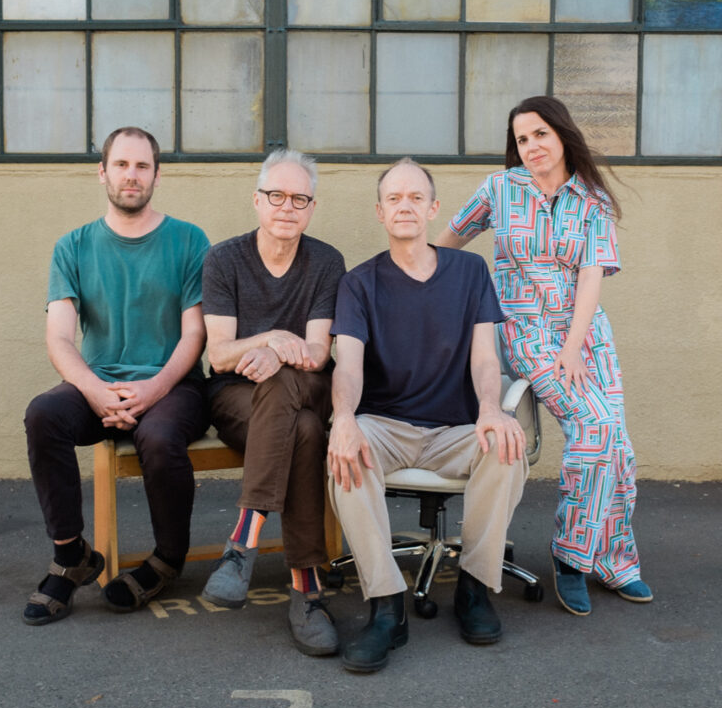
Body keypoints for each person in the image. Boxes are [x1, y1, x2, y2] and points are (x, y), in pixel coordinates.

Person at [435, 95, 652, 616]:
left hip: (585, 335)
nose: (530, 146)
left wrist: (576, 347)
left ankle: (615, 560)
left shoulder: (592, 199)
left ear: (561, 135)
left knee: (616, 445)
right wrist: (429, 289)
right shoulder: (499, 189)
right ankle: (572, 556)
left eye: (539, 135)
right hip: (526, 333)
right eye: (521, 139)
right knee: (595, 427)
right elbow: (447, 245)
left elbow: (592, 278)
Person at [328, 158, 528, 673]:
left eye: (416, 197)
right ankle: (386, 605)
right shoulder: (359, 282)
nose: (405, 206)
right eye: (394, 198)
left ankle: (475, 587)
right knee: (347, 448)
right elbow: (347, 364)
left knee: (506, 446)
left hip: (455, 429)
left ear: (433, 208)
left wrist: (491, 409)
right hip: (387, 426)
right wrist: (344, 417)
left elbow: (486, 357)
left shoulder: (469, 271)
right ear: (380, 211)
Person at [23, 127, 210, 625]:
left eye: (142, 166)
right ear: (102, 172)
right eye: (122, 165)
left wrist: (154, 388)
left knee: (159, 434)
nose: (132, 175)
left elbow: (195, 335)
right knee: (43, 415)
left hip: (174, 384)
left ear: (156, 174)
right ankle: (71, 555)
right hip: (98, 381)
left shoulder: (189, 240)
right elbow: (60, 337)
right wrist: (93, 390)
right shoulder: (74, 246)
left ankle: (168, 558)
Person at [201, 149, 345, 657]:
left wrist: (278, 357)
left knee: (287, 386)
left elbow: (320, 352)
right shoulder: (223, 259)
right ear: (257, 200)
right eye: (276, 196)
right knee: (304, 430)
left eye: (299, 198)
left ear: (311, 207)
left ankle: (243, 541)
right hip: (238, 398)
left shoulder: (326, 262)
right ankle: (307, 592)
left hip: (307, 384)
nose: (287, 207)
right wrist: (276, 339)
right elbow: (219, 357)